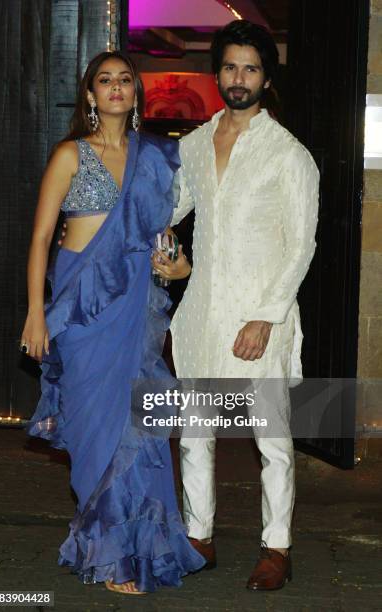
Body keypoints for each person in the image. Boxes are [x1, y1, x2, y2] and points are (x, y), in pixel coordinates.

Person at [20, 50, 204, 595]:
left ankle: (128, 551)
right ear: (91, 95)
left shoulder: (156, 157)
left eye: (126, 80)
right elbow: (38, 239)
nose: (117, 88)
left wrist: (177, 264)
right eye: (106, 81)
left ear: (136, 93)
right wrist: (35, 312)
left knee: (137, 430)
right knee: (93, 434)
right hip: (79, 312)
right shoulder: (70, 155)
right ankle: (105, 545)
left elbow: (164, 239)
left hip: (134, 307)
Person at [153, 20, 319, 590]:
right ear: (217, 72)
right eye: (229, 67)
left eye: (250, 68)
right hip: (201, 313)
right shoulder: (195, 144)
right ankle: (198, 536)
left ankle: (277, 548)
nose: (239, 78)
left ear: (266, 78)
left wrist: (267, 317)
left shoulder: (288, 154)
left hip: (259, 316)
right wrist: (164, 248)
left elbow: (302, 245)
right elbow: (170, 210)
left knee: (270, 438)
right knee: (195, 431)